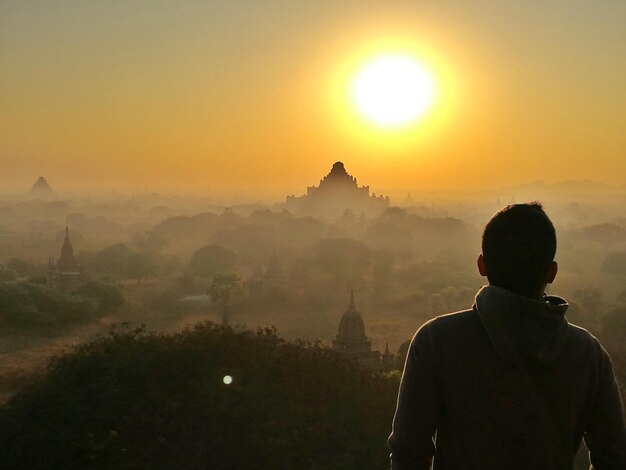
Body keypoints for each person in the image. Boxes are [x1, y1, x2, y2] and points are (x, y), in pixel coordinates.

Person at [388, 202, 626, 469]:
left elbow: (408, 454)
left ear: (482, 265)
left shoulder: (436, 342)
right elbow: (613, 457)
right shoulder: (587, 355)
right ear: (552, 272)